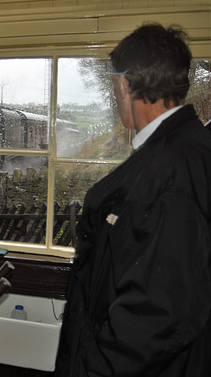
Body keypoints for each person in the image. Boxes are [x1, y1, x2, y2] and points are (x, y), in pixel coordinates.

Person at [55, 23, 211, 376]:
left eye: (114, 85)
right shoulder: (184, 152)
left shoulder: (173, 172)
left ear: (125, 84)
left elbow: (155, 315)